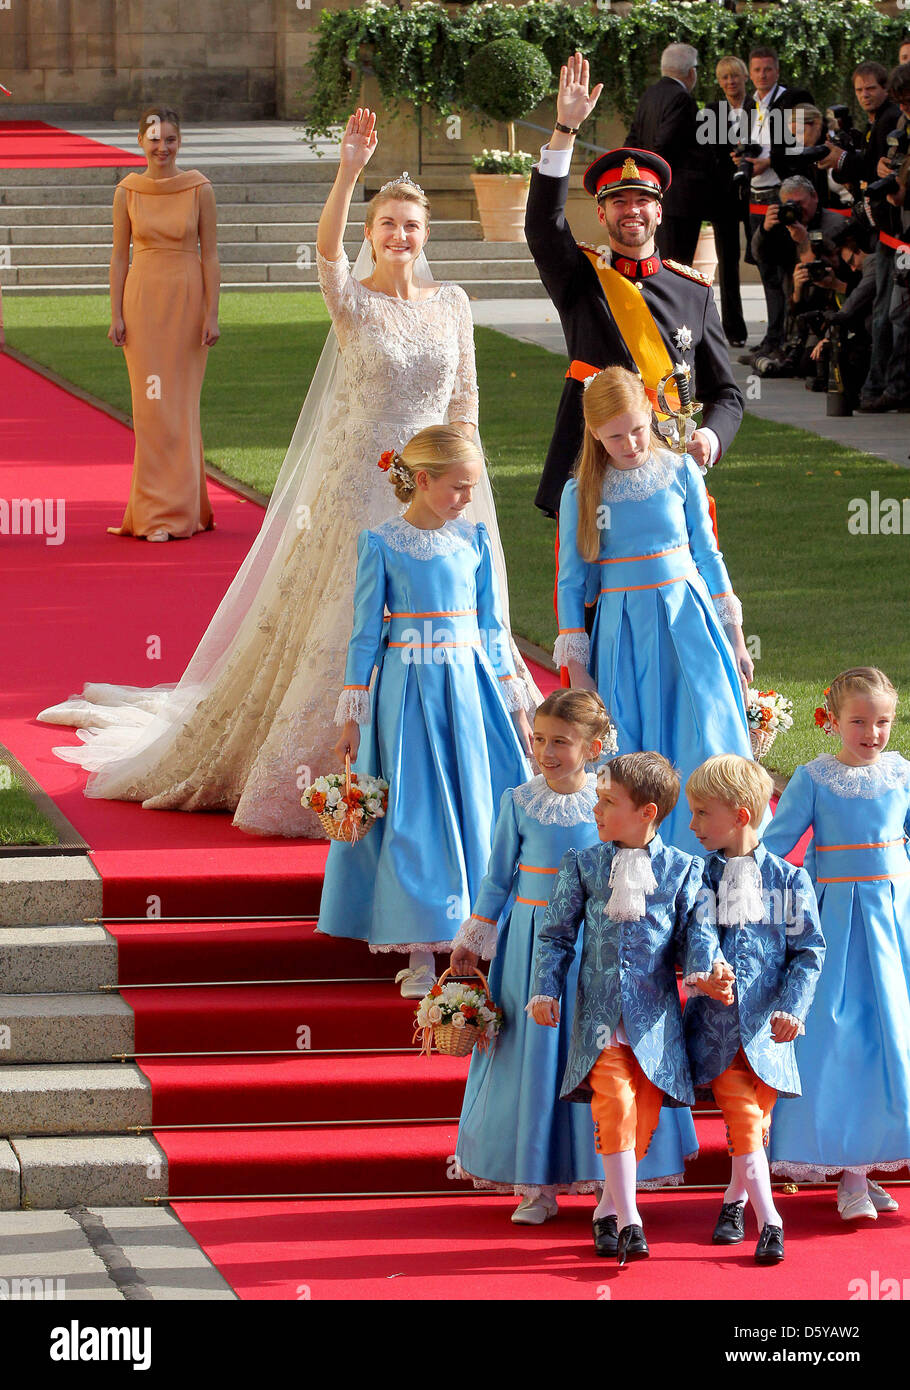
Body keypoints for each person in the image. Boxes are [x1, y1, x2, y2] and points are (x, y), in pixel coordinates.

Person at [38, 109, 537, 837]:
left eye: (412, 225)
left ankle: (439, 765)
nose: (401, 235)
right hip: (361, 484)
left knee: (443, 619)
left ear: (427, 235)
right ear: (373, 232)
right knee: (349, 620)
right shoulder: (354, 304)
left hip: (439, 487)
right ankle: (338, 768)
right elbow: (327, 255)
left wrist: (463, 491)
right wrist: (348, 171)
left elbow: (464, 402)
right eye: (389, 223)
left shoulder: (453, 305)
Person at [450, 691, 698, 1224]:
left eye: (560, 741)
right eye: (539, 739)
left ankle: (607, 1184)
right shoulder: (518, 802)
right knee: (533, 1055)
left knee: (595, 1054)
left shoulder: (610, 803)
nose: (546, 751)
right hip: (533, 941)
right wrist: (475, 935)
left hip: (597, 942)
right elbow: (497, 879)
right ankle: (536, 1185)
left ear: (594, 746)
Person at [315, 427, 533, 997]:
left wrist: (514, 702)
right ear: (423, 480)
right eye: (459, 487)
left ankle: (484, 937)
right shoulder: (381, 544)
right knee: (415, 810)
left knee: (477, 802)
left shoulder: (475, 540)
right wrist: (352, 715)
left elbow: (492, 629)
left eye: (472, 488)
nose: (467, 498)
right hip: (408, 693)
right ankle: (418, 949)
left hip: (469, 686)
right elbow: (365, 636)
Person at [525, 51, 744, 519]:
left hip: (669, 473)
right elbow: (544, 225)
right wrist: (565, 131)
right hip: (591, 473)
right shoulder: (580, 277)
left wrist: (711, 436)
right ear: (601, 214)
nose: (632, 210)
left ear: (659, 212)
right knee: (589, 594)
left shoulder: (695, 292)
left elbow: (726, 394)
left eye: (643, 200)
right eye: (619, 202)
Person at [529, 752, 723, 1264]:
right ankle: (631, 1218)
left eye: (608, 801)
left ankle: (606, 1212)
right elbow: (554, 936)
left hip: (655, 1024)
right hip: (598, 1021)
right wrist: (544, 989)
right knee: (612, 1102)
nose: (596, 808)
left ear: (647, 812)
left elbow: (699, 935)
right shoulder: (583, 864)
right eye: (597, 797)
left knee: (641, 1118)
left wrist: (704, 970)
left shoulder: (685, 870)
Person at [554, 366, 755, 858]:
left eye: (637, 429)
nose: (630, 443)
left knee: (705, 730)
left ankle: (714, 859)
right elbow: (571, 583)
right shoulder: (582, 493)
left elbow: (708, 556)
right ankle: (637, 868)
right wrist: (578, 668)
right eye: (615, 436)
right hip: (625, 636)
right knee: (631, 749)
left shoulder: (681, 470)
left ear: (651, 414)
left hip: (690, 623)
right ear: (596, 435)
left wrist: (734, 637)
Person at [763, 667, 910, 1221]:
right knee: (840, 1042)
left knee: (891, 1041)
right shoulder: (815, 779)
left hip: (897, 926)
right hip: (839, 930)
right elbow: (777, 850)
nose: (872, 733)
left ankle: (869, 1162)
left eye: (883, 722)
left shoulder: (903, 774)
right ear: (833, 721)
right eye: (859, 721)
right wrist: (783, 913)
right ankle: (847, 1172)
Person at [684, 755, 825, 1265]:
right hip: (717, 1028)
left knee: (755, 1123)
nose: (692, 825)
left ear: (741, 815)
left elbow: (808, 951)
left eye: (702, 813)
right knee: (743, 1117)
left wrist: (793, 1007)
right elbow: (698, 932)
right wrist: (710, 966)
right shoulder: (701, 878)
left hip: (770, 1032)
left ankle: (732, 1202)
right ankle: (772, 1221)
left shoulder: (789, 881)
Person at [107, 105, 219, 541]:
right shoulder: (127, 192)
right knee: (152, 409)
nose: (162, 147)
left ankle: (184, 510)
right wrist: (115, 312)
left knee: (179, 405)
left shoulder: (199, 189)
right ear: (141, 141)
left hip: (188, 302)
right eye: (154, 139)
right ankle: (155, 514)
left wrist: (212, 312)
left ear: (179, 142)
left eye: (170, 139)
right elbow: (120, 256)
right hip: (143, 303)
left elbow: (210, 255)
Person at [738, 46, 814, 361]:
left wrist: (768, 161)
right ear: (750, 74)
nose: (762, 75)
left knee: (784, 269)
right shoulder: (749, 102)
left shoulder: (793, 98)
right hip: (755, 193)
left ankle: (784, 339)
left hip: (781, 191)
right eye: (756, 70)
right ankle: (772, 337)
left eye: (767, 69)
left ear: (777, 70)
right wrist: (742, 157)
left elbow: (800, 144)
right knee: (765, 267)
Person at [626, 43, 711, 265]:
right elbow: (664, 145)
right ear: (691, 72)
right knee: (678, 269)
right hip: (678, 201)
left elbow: (632, 143)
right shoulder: (682, 99)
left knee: (658, 265)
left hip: (653, 195)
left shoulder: (648, 96)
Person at [702, 56, 755, 345]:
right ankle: (734, 330)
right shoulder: (712, 111)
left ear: (745, 77)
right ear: (719, 81)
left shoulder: (758, 108)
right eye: (724, 77)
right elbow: (708, 155)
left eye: (735, 76)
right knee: (728, 262)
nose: (730, 82)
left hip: (754, 193)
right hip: (722, 198)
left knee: (762, 256)